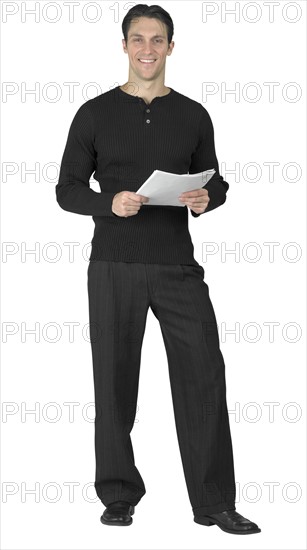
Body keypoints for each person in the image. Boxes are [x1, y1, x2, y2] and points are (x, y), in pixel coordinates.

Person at [55, 3, 261, 535]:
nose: (148, 49)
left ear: (172, 47)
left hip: (176, 266)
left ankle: (214, 502)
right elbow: (67, 189)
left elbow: (218, 182)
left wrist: (204, 199)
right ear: (123, 46)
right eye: (138, 39)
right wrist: (109, 202)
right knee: (115, 383)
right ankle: (119, 494)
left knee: (203, 377)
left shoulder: (193, 114)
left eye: (158, 39)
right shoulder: (94, 112)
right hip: (114, 265)